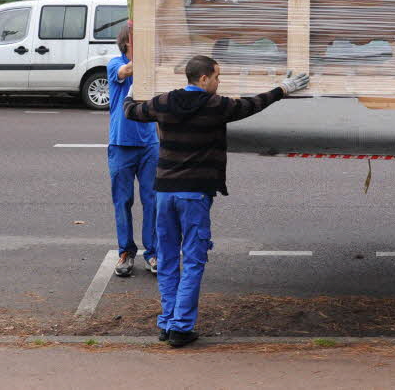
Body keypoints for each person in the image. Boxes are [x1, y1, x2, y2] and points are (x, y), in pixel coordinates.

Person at [125, 56, 309, 348]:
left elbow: (131, 111)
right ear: (203, 79)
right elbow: (252, 104)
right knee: (195, 260)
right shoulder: (216, 106)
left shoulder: (163, 103)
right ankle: (181, 329)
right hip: (194, 195)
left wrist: (136, 85)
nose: (218, 82)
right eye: (217, 77)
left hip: (164, 194)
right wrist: (283, 88)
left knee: (169, 259)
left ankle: (167, 322)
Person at [107, 21, 159, 277]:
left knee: (153, 200)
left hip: (150, 143)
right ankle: (126, 252)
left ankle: (153, 253)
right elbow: (126, 71)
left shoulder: (152, 67)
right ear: (128, 41)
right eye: (139, 38)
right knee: (123, 201)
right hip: (121, 144)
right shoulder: (115, 65)